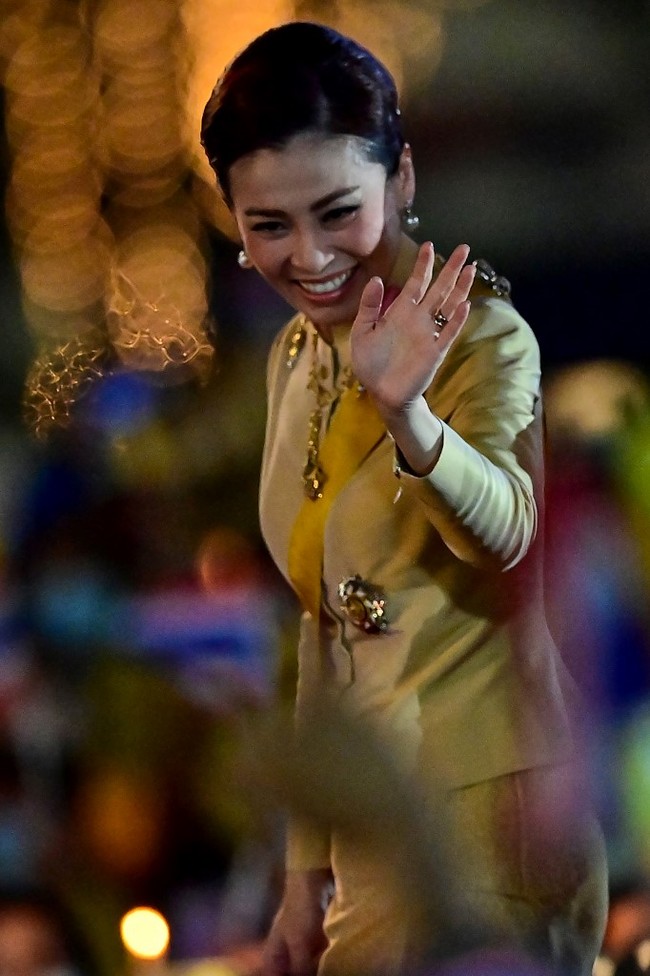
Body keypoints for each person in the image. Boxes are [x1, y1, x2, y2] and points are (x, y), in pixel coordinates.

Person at [200, 21, 608, 976]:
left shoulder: (481, 338)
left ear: (404, 180)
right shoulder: (296, 355)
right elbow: (321, 628)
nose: (309, 257)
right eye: (268, 225)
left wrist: (408, 412)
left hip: (495, 815)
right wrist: (305, 879)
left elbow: (511, 534)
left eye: (338, 211)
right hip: (377, 823)